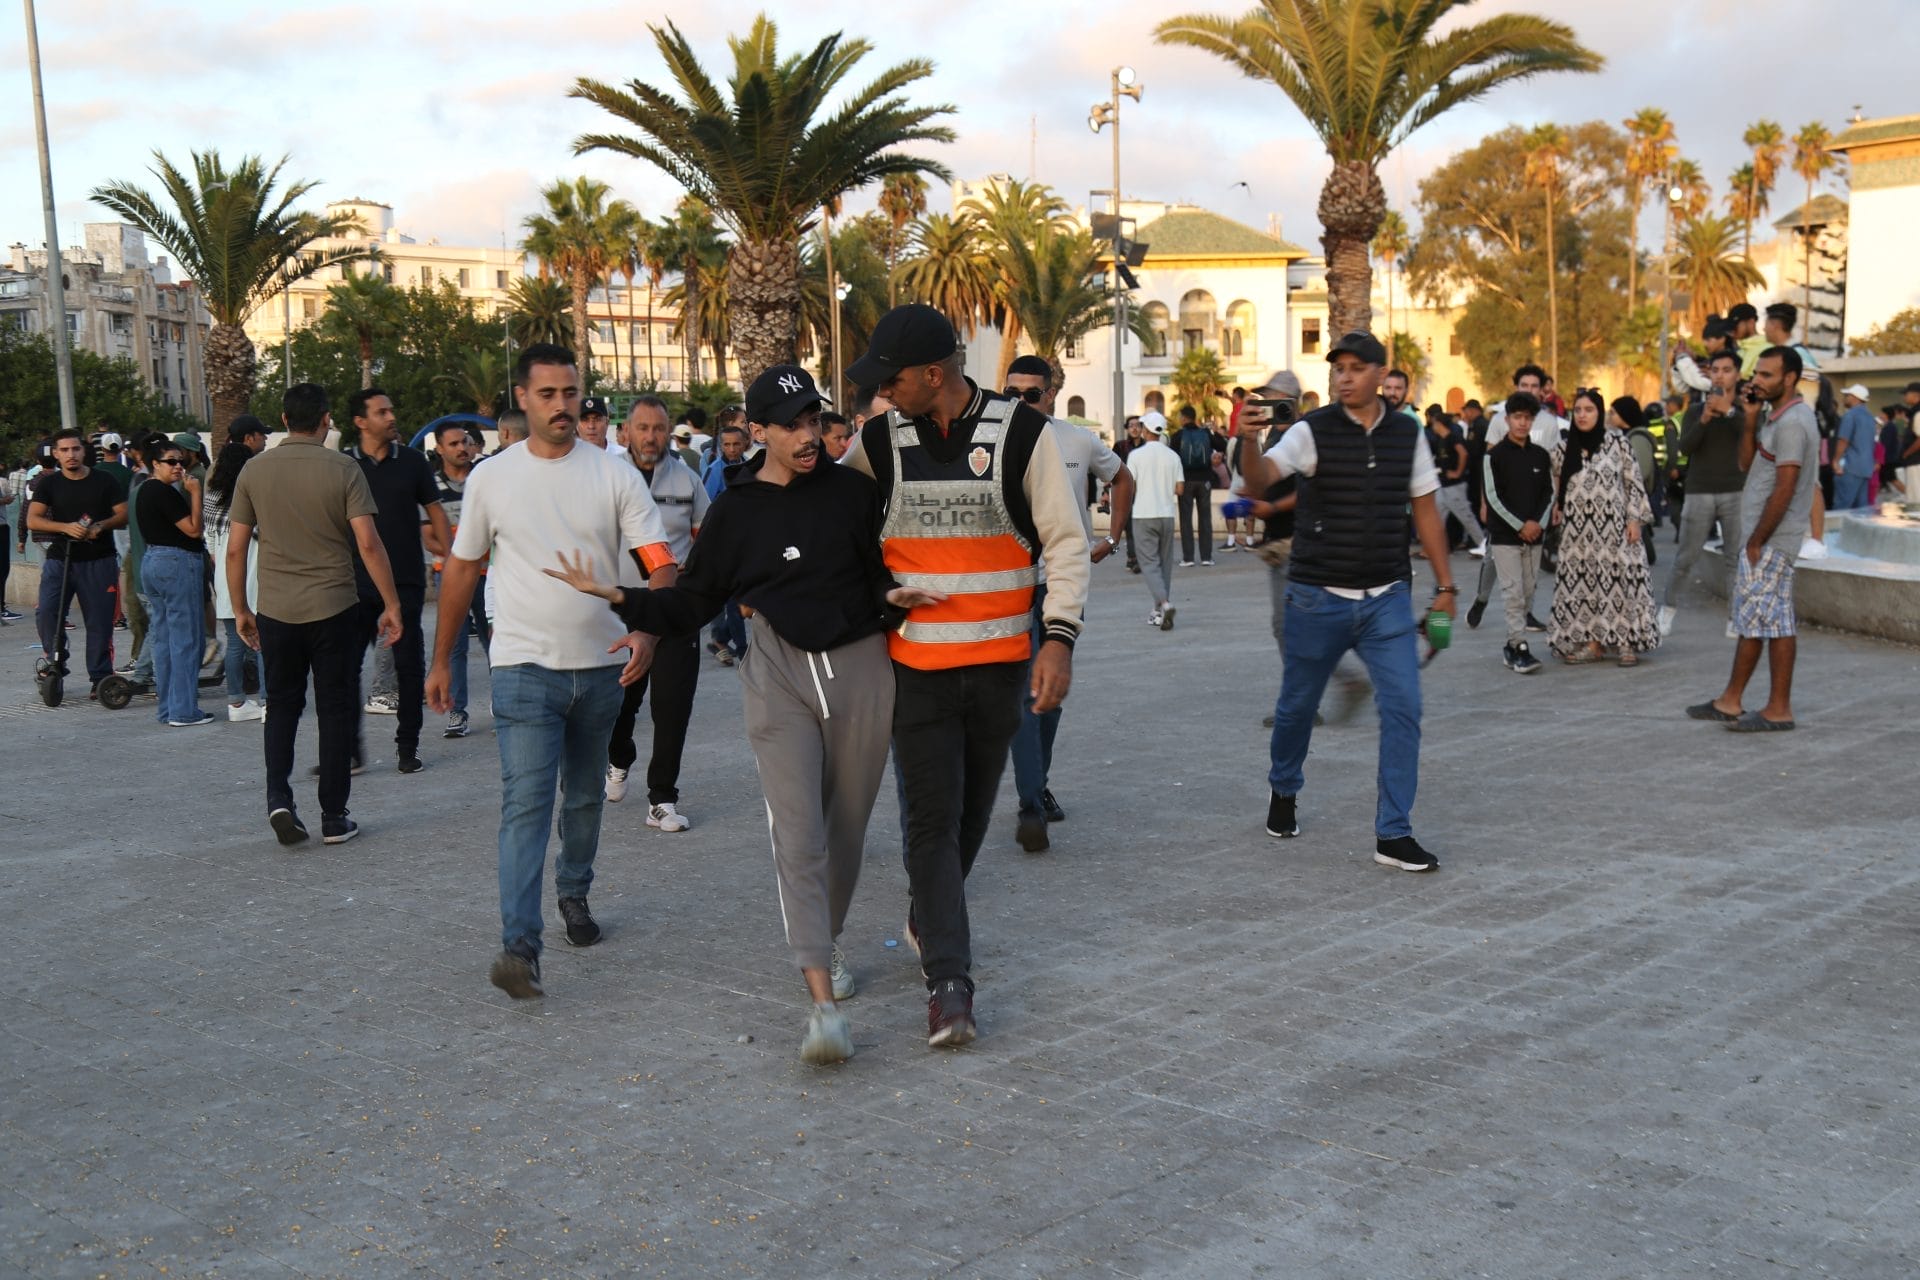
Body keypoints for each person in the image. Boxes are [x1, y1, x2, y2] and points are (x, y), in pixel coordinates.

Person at [544, 366, 939, 1064]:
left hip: (861, 669)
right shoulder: (735, 509)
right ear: (755, 431)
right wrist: (622, 597)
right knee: (799, 834)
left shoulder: (855, 492)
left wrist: (893, 598)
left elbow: (874, 570)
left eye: (815, 420)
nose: (809, 435)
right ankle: (821, 1002)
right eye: (791, 425)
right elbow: (694, 601)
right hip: (778, 672)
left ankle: (827, 940)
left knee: (845, 831)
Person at [840, 303, 1089, 1047]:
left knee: (970, 818)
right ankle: (950, 985)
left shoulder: (1022, 436)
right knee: (928, 821)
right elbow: (839, 532)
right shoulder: (875, 445)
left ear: (932, 374)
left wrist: (1059, 640)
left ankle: (927, 915)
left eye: (891, 380)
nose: (882, 393)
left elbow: (1066, 544)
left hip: (1001, 669)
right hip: (913, 672)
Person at [425, 343, 674, 1000]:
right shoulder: (492, 478)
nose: (563, 406)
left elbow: (660, 564)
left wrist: (648, 627)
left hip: (601, 672)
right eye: (548, 395)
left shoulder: (615, 476)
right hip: (522, 670)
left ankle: (574, 894)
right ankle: (519, 945)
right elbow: (461, 568)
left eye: (570, 393)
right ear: (524, 399)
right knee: (525, 805)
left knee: (586, 799)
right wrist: (440, 659)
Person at [1236, 331, 1453, 873]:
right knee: (1296, 708)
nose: (1345, 376)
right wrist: (1245, 438)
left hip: (1388, 600)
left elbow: (1425, 510)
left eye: (1357, 367)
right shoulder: (1312, 431)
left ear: (1382, 374)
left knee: (1405, 707)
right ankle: (1284, 788)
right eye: (1338, 368)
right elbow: (1260, 482)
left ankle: (1393, 833)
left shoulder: (1408, 434)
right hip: (1316, 597)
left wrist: (1446, 588)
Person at [228, 383, 403, 847]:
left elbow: (235, 549)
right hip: (334, 607)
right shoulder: (344, 468)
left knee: (282, 704)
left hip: (276, 610)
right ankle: (333, 816)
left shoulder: (254, 471)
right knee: (335, 706)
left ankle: (278, 798)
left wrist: (241, 609)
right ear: (326, 419)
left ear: (283, 420)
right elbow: (368, 542)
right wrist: (392, 603)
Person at [1001, 355, 1133, 854]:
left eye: (1030, 394)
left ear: (1051, 393)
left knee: (1050, 696)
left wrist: (1112, 536)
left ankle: (1038, 784)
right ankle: (1030, 802)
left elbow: (1122, 477)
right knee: (1025, 698)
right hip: (1009, 586)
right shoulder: (990, 440)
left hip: (1061, 586)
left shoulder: (1077, 439)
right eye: (1010, 393)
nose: (1019, 402)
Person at [1687, 347, 1819, 732]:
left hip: (1773, 538)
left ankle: (1778, 708)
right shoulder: (1775, 420)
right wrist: (1749, 420)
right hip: (1764, 537)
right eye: (1756, 374)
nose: (1756, 381)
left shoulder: (1794, 423)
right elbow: (1748, 465)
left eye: (1766, 375)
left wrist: (1757, 539)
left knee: (1772, 623)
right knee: (1759, 621)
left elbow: (1786, 485)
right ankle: (1731, 700)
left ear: (1789, 378)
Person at [603, 395, 708, 831]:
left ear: (670, 432)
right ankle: (617, 756)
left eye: (659, 428)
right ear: (625, 431)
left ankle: (662, 799)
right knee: (618, 701)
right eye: (643, 427)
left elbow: (706, 540)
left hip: (674, 610)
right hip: (620, 607)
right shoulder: (607, 479)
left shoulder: (687, 481)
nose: (651, 436)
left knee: (672, 707)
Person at [345, 388, 450, 776]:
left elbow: (435, 510)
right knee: (346, 667)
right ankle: (350, 751)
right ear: (360, 421)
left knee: (409, 667)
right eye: (381, 412)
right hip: (355, 583)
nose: (391, 417)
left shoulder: (413, 461)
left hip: (405, 580)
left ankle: (408, 748)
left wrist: (450, 556)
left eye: (391, 409)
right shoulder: (344, 466)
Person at [1548, 389, 1659, 667]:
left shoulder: (1618, 443)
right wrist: (1556, 508)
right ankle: (1592, 644)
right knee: (1585, 586)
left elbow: (1634, 482)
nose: (1583, 415)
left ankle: (1624, 643)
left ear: (1599, 414)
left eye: (1590, 410)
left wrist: (1635, 519)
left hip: (1615, 529)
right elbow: (1556, 487)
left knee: (1620, 583)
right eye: (1578, 410)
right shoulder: (1563, 449)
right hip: (1578, 534)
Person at [26, 427, 126, 694]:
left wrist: (101, 526)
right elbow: (33, 519)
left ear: (84, 451)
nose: (71, 455)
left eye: (76, 449)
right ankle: (56, 661)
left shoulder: (104, 481)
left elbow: (123, 514)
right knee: (46, 612)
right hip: (61, 559)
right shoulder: (48, 483)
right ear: (56, 454)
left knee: (100, 621)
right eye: (65, 450)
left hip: (99, 561)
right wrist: (64, 527)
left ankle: (100, 677)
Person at [1466, 365, 1561, 630]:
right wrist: (1486, 503)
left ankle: (1527, 612)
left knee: (1530, 566)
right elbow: (1489, 464)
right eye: (1524, 385)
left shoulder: (1549, 423)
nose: (1529, 390)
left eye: (1534, 386)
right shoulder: (1501, 420)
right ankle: (1481, 599)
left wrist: (1555, 503)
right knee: (1494, 557)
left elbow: (1554, 468)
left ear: (1542, 390)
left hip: (1535, 500)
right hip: (1505, 502)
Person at [1662, 349, 1747, 637]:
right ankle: (1668, 609)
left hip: (1735, 491)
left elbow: (1754, 437)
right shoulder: (1697, 410)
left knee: (1735, 558)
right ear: (1708, 374)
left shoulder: (1745, 409)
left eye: (1726, 370)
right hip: (1699, 492)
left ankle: (1735, 618)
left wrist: (1730, 411)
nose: (1720, 375)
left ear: (1737, 374)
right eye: (1715, 370)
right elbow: (1685, 448)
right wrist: (1706, 419)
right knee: (1686, 556)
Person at [134, 441, 213, 725]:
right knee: (186, 638)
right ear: (155, 464)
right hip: (176, 563)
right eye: (171, 461)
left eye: (181, 461)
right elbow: (193, 530)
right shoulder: (163, 491)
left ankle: (169, 708)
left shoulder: (145, 490)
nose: (178, 466)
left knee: (164, 639)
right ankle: (183, 710)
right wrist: (196, 493)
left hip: (154, 561)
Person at [1481, 394, 1554, 675]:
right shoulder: (1493, 457)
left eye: (1527, 418)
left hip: (1535, 537)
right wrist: (1520, 525)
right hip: (1505, 538)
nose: (1522, 423)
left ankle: (1511, 647)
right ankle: (1520, 645)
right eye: (1517, 417)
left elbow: (1549, 494)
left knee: (1528, 591)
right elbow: (1493, 497)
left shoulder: (1540, 456)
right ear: (1507, 419)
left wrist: (1537, 524)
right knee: (1512, 593)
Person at [431, 420, 489, 738]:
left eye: (465, 442)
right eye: (453, 444)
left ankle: (505, 706)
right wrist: (460, 560)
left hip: (487, 575)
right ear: (439, 449)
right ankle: (457, 712)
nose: (462, 448)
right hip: (449, 577)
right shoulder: (431, 487)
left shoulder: (484, 481)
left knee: (494, 639)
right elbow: (427, 535)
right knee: (454, 646)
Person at [204, 441, 263, 722]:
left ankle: (236, 703)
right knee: (264, 643)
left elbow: (212, 547)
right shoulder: (256, 493)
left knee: (234, 643)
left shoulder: (212, 497)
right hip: (256, 575)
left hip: (226, 578)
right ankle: (267, 700)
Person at [1127, 411, 1182, 630]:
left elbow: (1131, 485)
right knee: (1164, 564)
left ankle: (1165, 604)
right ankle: (1158, 611)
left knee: (1149, 564)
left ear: (1145, 429)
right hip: (1167, 515)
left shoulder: (1136, 456)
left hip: (1143, 514)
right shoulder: (1173, 456)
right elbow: (1180, 488)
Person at [1425, 405, 1486, 554]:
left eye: (1434, 424)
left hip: (1454, 486)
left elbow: (1463, 454)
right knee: (1437, 516)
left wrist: (1458, 472)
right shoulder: (1441, 440)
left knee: (1466, 516)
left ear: (1439, 424)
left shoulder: (1453, 437)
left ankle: (1483, 544)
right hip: (1443, 484)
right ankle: (1436, 547)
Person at [1172, 405, 1216, 566]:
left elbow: (1172, 458)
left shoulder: (1178, 435)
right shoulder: (1205, 433)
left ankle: (1188, 558)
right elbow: (1222, 445)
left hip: (1186, 481)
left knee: (1186, 519)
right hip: (1205, 481)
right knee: (1205, 518)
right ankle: (1206, 557)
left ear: (1184, 418)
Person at [1833, 383, 1878, 510]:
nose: (1845, 398)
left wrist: (1836, 461)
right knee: (1860, 509)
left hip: (1850, 466)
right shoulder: (1870, 418)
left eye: (1847, 395)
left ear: (1854, 397)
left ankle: (1839, 530)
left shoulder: (1850, 415)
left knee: (1842, 506)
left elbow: (1843, 440)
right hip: (1865, 468)